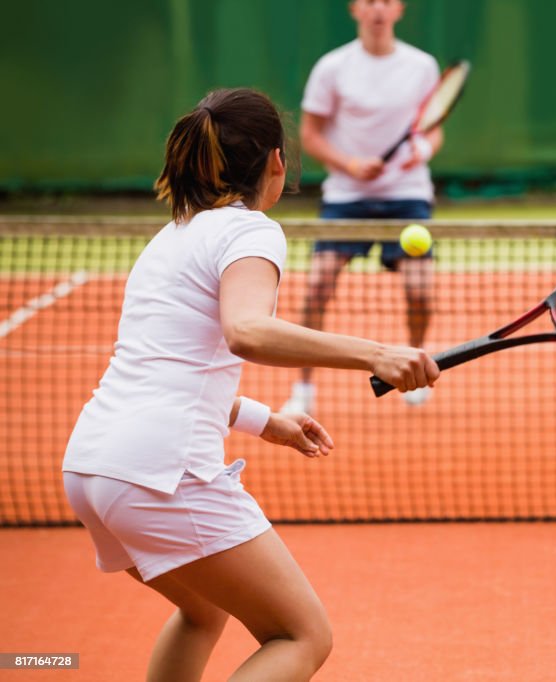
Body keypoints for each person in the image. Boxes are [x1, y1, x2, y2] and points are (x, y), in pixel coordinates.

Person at [62, 88, 439, 681]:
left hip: (92, 469)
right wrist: (378, 353)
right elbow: (246, 331)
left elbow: (170, 370)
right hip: (162, 474)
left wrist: (267, 421)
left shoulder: (172, 236)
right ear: (277, 162)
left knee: (202, 610)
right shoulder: (251, 232)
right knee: (300, 635)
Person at [281, 0, 443, 412]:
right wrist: (351, 164)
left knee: (420, 292)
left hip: (407, 196)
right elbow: (312, 134)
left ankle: (416, 361)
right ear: (355, 9)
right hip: (347, 198)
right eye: (369, 1)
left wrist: (421, 149)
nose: (378, 9)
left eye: (386, 1)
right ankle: (303, 389)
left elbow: (432, 128)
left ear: (399, 9)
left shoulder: (422, 65)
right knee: (317, 287)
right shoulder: (332, 68)